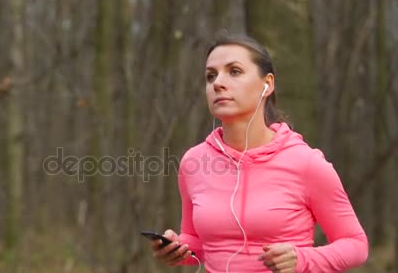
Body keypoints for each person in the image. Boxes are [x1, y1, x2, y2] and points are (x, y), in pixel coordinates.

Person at [148, 32, 368, 272]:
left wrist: (302, 259)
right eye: (211, 76)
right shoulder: (194, 162)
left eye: (234, 71)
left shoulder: (306, 163)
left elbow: (356, 245)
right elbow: (200, 244)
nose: (218, 83)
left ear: (267, 84)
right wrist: (177, 248)